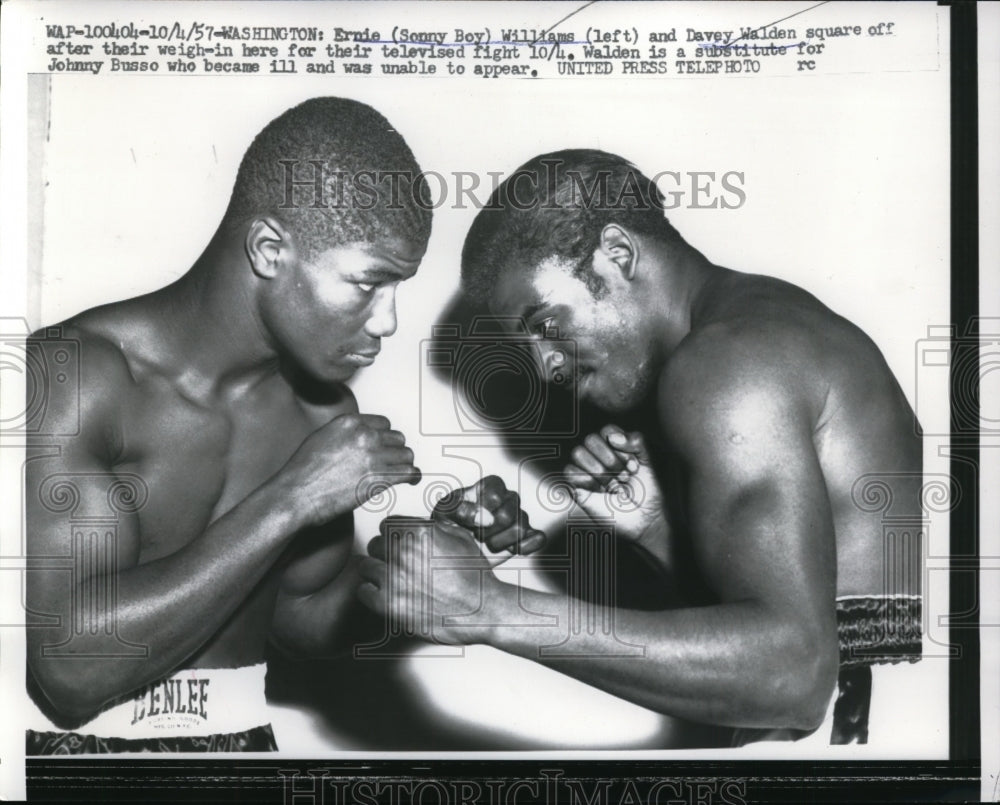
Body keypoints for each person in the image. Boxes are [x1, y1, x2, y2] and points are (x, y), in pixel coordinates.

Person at [358, 149, 924, 746]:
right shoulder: (766, 322)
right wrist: (658, 531)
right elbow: (823, 620)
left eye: (544, 324)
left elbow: (797, 678)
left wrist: (490, 609)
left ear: (618, 253)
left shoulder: (726, 362)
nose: (545, 367)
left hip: (859, 745)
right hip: (880, 733)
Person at [23, 96, 527, 754]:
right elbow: (70, 671)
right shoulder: (79, 378)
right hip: (77, 763)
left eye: (396, 289)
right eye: (367, 283)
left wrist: (426, 562)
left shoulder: (320, 413)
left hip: (243, 751)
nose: (387, 322)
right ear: (269, 249)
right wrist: (292, 497)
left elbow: (304, 619)